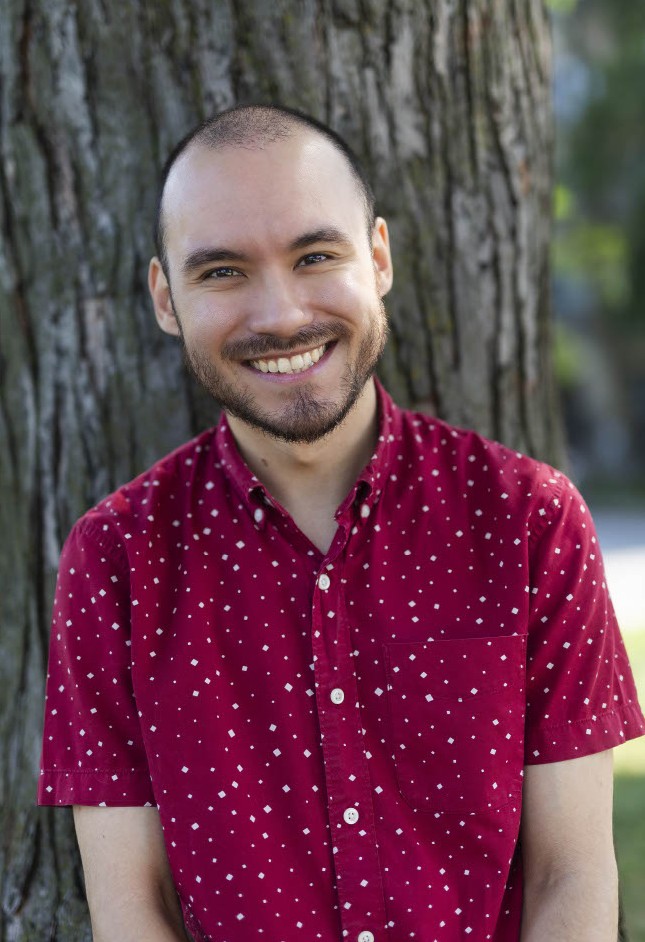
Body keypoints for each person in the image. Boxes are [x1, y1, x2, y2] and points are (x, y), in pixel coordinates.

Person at [38, 104, 644, 942]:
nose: (280, 315)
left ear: (379, 258)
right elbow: (132, 908)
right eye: (221, 272)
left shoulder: (527, 521)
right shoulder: (117, 558)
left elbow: (570, 876)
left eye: (315, 256)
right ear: (165, 298)